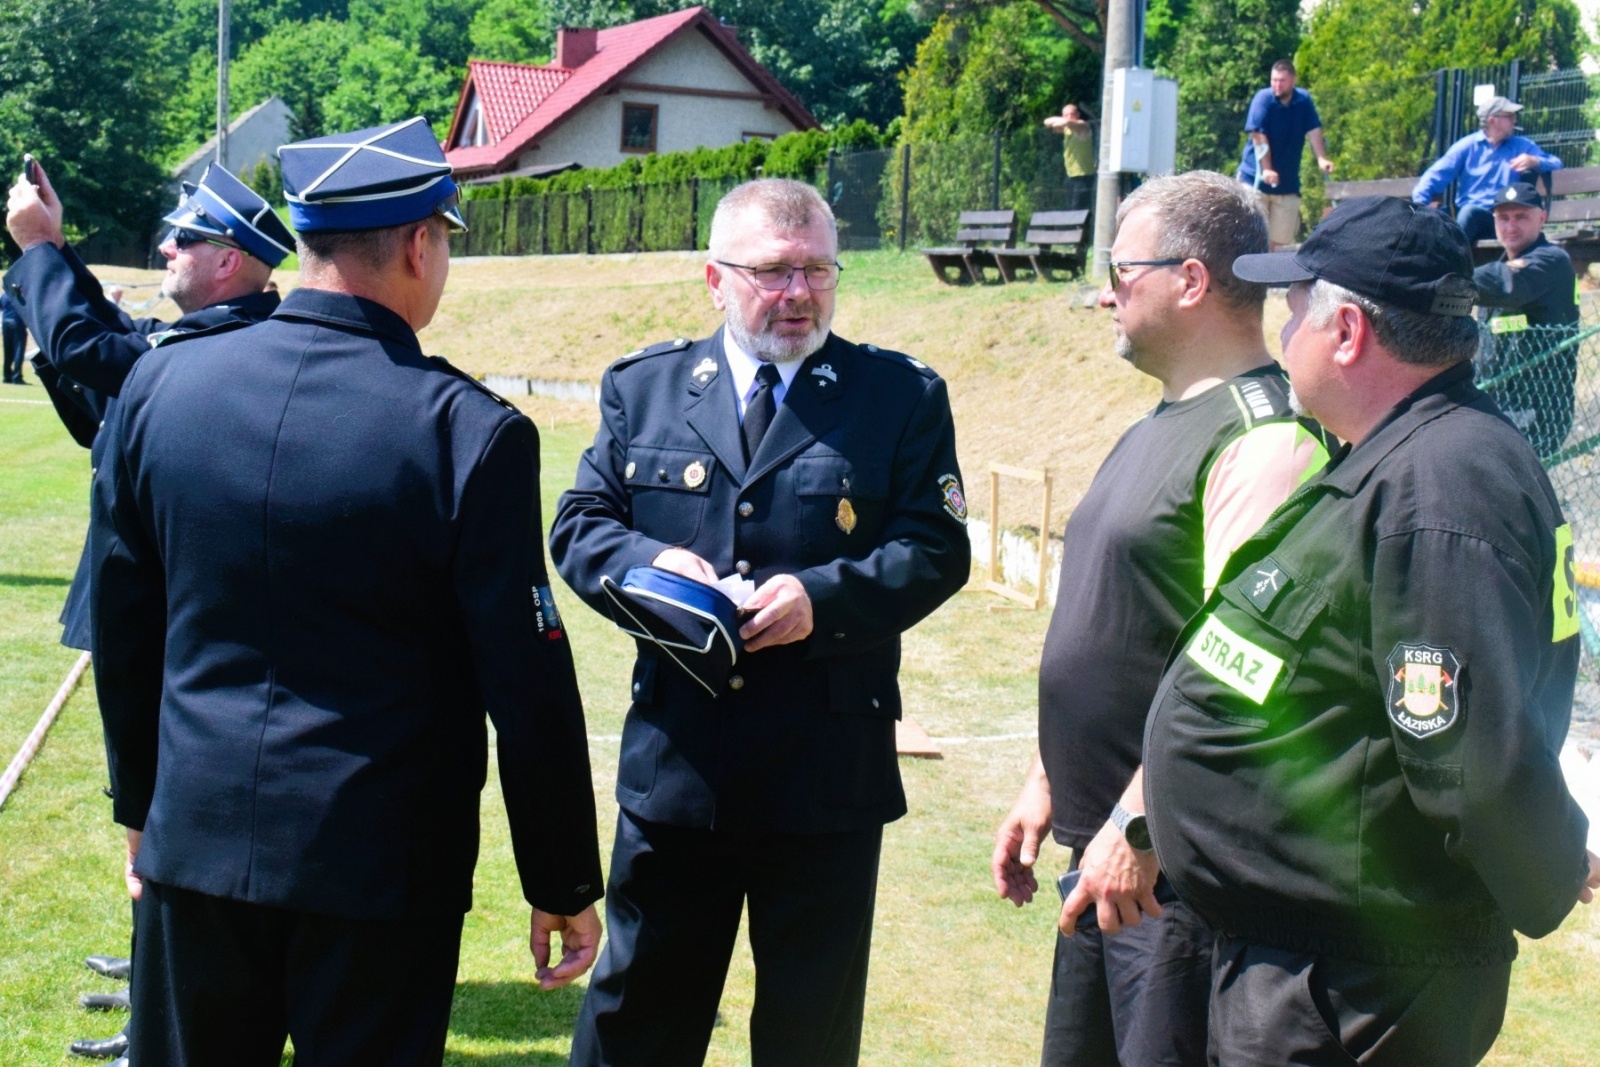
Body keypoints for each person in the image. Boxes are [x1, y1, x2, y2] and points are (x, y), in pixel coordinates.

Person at [88, 116, 605, 1065]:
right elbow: (525, 684)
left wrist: (140, 809)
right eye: (445, 239)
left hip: (196, 842)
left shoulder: (163, 389)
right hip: (379, 869)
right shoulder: (464, 431)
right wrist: (563, 875)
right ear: (418, 243)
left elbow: (126, 629)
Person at [1142, 195, 1600, 1065]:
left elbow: (1467, 750)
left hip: (1353, 988)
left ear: (1347, 329)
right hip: (1312, 968)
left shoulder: (1445, 482)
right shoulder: (1402, 454)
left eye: (1296, 306)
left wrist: (1551, 862)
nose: (1284, 332)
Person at [551, 178, 971, 1067]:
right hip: (681, 772)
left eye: (819, 270)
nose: (799, 293)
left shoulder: (895, 396)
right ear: (715, 278)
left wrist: (824, 598)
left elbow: (937, 547)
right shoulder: (648, 387)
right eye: (775, 272)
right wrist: (649, 569)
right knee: (636, 1024)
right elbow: (581, 523)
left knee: (807, 1037)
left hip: (823, 779)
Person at [990, 170, 1330, 1067]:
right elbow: (1120, 621)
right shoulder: (1162, 421)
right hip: (1107, 853)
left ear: (1189, 279)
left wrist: (1139, 825)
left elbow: (1240, 673)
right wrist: (1048, 778)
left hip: (1173, 879)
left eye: (1121, 268)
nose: (1106, 289)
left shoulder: (1265, 439)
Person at [6, 159, 292, 1066]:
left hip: (181, 629)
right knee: (154, 817)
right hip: (165, 617)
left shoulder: (226, 346)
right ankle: (149, 967)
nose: (167, 246)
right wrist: (57, 258)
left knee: (165, 819)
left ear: (229, 261)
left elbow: (100, 355)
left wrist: (47, 253)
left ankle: (160, 1010)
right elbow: (104, 367)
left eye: (186, 237)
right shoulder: (203, 337)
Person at [1472, 181, 1581, 458]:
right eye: (1503, 218)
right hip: (1494, 403)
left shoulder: (1551, 261)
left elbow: (1504, 282)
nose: (1510, 226)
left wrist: (1442, 275)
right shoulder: (1496, 268)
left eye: (1521, 216)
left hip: (1537, 410)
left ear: (1542, 218)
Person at [1413, 96, 1564, 244]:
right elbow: (1433, 177)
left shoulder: (1521, 146)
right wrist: (1421, 210)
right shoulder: (1467, 146)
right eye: (1509, 116)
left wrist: (1535, 161)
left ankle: (1449, 262)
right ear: (1493, 120)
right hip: (1470, 220)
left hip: (1504, 219)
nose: (1515, 120)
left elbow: (1555, 163)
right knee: (1447, 220)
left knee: (1468, 213)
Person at [1235, 60, 1334, 249]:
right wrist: (1267, 169)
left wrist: (1321, 158)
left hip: (1287, 185)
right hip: (1254, 181)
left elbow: (1314, 130)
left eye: (1282, 81)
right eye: (1273, 80)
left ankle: (1273, 277)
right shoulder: (1263, 99)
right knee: (1252, 240)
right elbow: (1258, 135)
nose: (1277, 85)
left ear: (1293, 81)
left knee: (1279, 244)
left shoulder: (1303, 101)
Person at [1045, 103, 1095, 210]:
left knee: (1079, 209)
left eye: (1072, 114)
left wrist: (1065, 121)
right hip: (1071, 175)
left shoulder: (1083, 126)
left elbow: (1069, 123)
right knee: (1070, 209)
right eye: (1067, 115)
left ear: (1077, 114)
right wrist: (1062, 121)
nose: (1070, 117)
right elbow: (1047, 122)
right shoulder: (1066, 129)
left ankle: (1081, 227)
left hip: (1084, 175)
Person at [1, 291, 25, 383]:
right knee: (19, 350)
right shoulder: (21, 296)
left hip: (5, 323)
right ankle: (17, 376)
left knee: (7, 350)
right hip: (17, 323)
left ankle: (7, 375)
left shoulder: (4, 295)